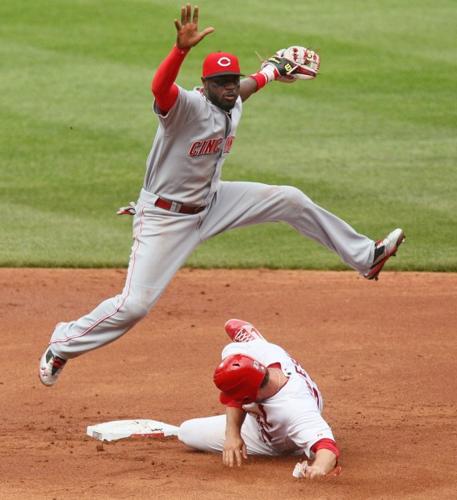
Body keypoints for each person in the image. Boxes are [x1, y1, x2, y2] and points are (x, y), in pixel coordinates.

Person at [39, 4, 404, 386]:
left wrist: (274, 71)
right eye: (221, 82)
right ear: (204, 85)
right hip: (166, 218)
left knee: (290, 198)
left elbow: (249, 85)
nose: (230, 87)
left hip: (213, 202)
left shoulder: (233, 99)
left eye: (233, 79)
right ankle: (63, 344)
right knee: (134, 306)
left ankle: (367, 257)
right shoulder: (184, 108)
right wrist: (180, 50)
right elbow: (159, 88)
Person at [178, 319, 341, 479]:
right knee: (186, 431)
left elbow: (328, 448)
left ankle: (299, 444)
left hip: (281, 440)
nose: (231, 400)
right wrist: (232, 434)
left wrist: (318, 468)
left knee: (187, 432)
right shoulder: (260, 353)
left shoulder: (294, 410)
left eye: (236, 396)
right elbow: (237, 389)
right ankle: (254, 338)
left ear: (249, 396)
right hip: (270, 392)